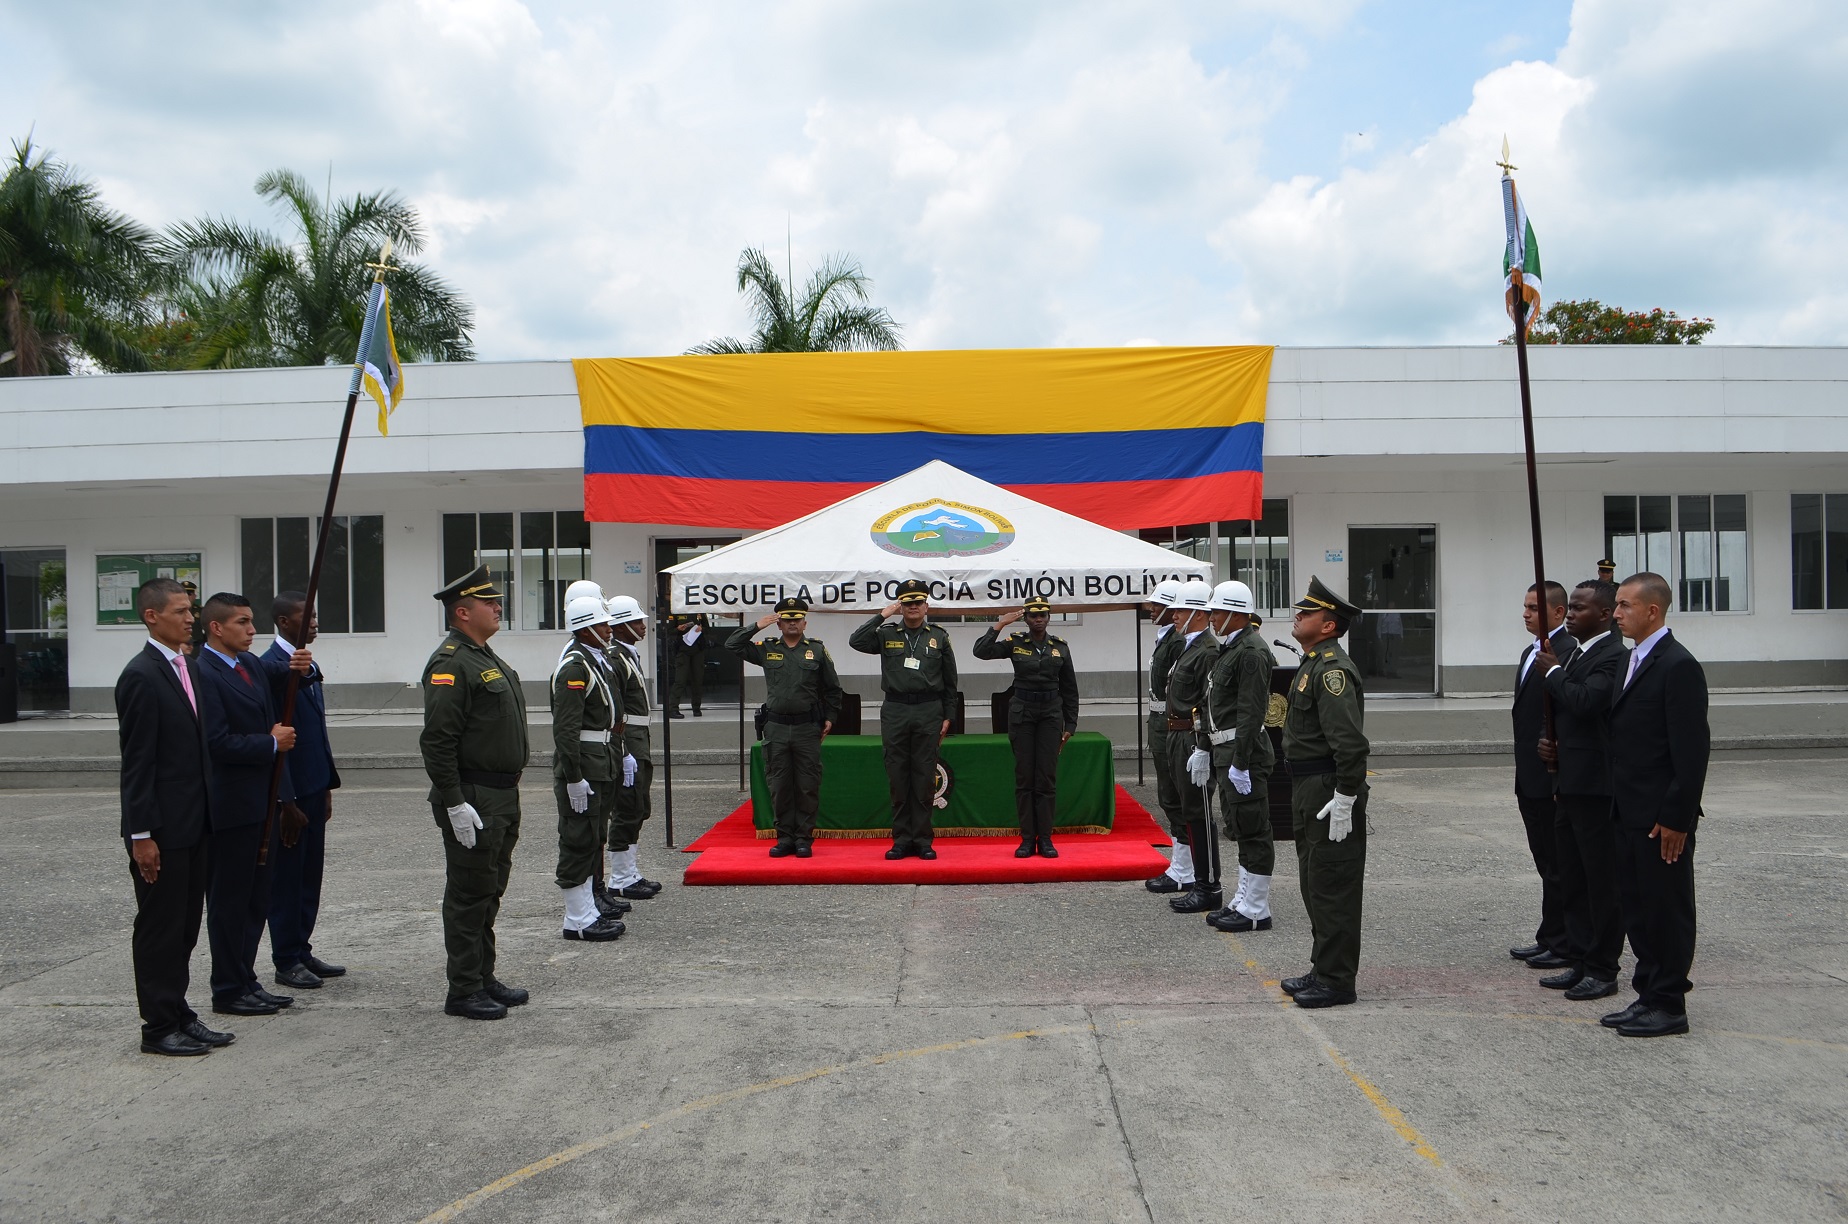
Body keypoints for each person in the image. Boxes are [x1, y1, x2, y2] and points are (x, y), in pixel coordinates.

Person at [114, 577, 232, 1056]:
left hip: (195, 822)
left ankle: (179, 1010)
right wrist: (141, 835)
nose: (190, 618)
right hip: (161, 829)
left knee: (185, 926)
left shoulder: (189, 667)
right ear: (152, 616)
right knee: (161, 927)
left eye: (191, 610)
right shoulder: (141, 675)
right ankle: (158, 1026)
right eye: (181, 611)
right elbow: (138, 764)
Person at [420, 565, 531, 1021]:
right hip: (474, 795)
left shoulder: (485, 657)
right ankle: (463, 989)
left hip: (500, 794)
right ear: (462, 612)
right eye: (489, 602)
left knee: (489, 889)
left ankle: (482, 975)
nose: (498, 607)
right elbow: (438, 740)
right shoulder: (452, 662)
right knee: (468, 894)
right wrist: (454, 802)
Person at [1602, 571, 1708, 1038]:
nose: (1617, 613)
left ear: (1652, 611)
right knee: (1639, 908)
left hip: (1660, 816)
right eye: (1617, 605)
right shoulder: (1633, 660)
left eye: (1625, 605)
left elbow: (1691, 753)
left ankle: (1669, 1004)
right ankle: (1647, 993)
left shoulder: (1677, 665)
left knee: (1667, 909)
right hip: (1628, 809)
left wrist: (1676, 818)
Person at [194, 591, 298, 1019]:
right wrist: (269, 743)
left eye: (252, 621)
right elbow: (215, 742)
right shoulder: (203, 673)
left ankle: (247, 978)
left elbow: (274, 720)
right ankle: (227, 986)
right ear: (216, 628)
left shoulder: (250, 665)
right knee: (230, 900)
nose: (252, 630)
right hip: (231, 805)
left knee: (257, 898)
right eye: (241, 622)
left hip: (263, 801)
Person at [1532, 579, 1628, 1001]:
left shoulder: (1613, 656)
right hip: (1568, 781)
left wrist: (1552, 672)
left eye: (1579, 608)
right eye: (1569, 607)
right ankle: (1579, 957)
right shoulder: (1576, 652)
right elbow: (1563, 715)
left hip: (1596, 787)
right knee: (1572, 876)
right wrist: (1550, 746)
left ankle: (1603, 967)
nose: (1569, 614)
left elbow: (1588, 702)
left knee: (1600, 882)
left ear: (1604, 616)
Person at [1277, 576, 1369, 1009]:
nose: (1298, 616)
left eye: (1307, 612)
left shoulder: (1332, 671)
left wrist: (1347, 798)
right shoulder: (1313, 662)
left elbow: (1348, 744)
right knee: (1315, 881)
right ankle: (1323, 966)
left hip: (1328, 788)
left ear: (1328, 626)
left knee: (1333, 884)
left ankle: (1337, 980)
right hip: (1308, 786)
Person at [259, 591, 346, 992]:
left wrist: (326, 784)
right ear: (282, 622)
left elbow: (316, 733)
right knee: (287, 879)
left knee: (311, 875)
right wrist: (285, 801)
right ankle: (285, 958)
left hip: (313, 784)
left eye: (314, 616)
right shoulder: (270, 668)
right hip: (290, 795)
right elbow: (278, 741)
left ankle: (302, 948)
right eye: (305, 617)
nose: (313, 622)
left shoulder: (306, 663)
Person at [850, 579, 958, 861]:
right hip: (896, 710)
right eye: (906, 603)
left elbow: (950, 680)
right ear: (900, 607)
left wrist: (949, 716)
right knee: (898, 777)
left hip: (928, 710)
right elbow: (857, 640)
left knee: (923, 779)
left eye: (917, 602)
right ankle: (901, 840)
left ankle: (923, 840)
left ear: (926, 606)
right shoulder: (886, 634)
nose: (913, 607)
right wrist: (883, 614)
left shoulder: (939, 636)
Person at [728, 597, 843, 857]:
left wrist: (830, 717)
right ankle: (785, 838)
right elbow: (732, 644)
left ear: (804, 622)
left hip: (806, 728)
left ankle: (803, 838)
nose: (792, 623)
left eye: (797, 618)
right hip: (777, 728)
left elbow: (833, 689)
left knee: (806, 785)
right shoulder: (766, 648)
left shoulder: (816, 649)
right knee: (779, 785)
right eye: (787, 619)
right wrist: (757, 625)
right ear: (779, 624)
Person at [972, 594, 1079, 858]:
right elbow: (981, 651)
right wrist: (999, 625)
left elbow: (1070, 688)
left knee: (1045, 779)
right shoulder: (1015, 642)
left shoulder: (1060, 647)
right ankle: (1026, 839)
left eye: (1043, 615)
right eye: (1033, 615)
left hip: (1051, 716)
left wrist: (1071, 723)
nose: (1038, 619)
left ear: (1048, 617)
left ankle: (1045, 839)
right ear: (1027, 618)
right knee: (1024, 778)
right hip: (1023, 715)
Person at [1200, 580, 1278, 933]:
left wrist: (1241, 762)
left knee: (1254, 829)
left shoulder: (1251, 651)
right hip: (1226, 749)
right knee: (1240, 827)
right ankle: (1244, 899)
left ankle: (1257, 908)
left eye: (1217, 611)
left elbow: (1251, 711)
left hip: (1241, 751)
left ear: (1235, 613)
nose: (1212, 617)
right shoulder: (1231, 648)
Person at [550, 594, 627, 941]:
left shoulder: (594, 662)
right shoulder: (575, 667)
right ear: (585, 629)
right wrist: (574, 777)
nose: (609, 630)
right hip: (585, 765)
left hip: (601, 761)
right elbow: (566, 730)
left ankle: (587, 909)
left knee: (593, 837)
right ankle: (577, 918)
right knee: (578, 840)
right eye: (602, 625)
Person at [1510, 581, 1573, 971]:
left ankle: (1563, 940)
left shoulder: (1564, 653)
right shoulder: (1530, 651)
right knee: (1545, 862)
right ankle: (1549, 936)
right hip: (1528, 776)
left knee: (1559, 863)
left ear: (1559, 613)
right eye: (1526, 606)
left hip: (1551, 777)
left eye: (1534, 607)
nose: (1526, 613)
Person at [1161, 579, 1221, 913]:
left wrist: (1202, 747)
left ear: (1199, 613)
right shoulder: (1189, 646)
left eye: (1181, 610)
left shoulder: (1208, 650)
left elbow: (1207, 702)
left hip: (1191, 738)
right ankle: (1197, 879)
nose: (1175, 616)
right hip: (1176, 735)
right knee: (1187, 811)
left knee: (1198, 813)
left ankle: (1209, 885)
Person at [604, 595, 663, 898]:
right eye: (637, 621)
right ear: (620, 625)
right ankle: (620, 877)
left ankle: (629, 871)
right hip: (629, 738)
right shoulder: (615, 657)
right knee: (627, 805)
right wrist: (624, 749)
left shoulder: (628, 654)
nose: (642, 626)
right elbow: (615, 710)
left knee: (638, 805)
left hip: (639, 735)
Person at [1139, 579, 1192, 893]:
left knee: (1177, 798)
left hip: (1171, 724)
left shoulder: (1176, 641)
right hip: (1160, 721)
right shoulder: (1166, 638)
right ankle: (1181, 865)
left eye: (1158, 605)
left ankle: (1186, 868)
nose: (1151, 608)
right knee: (1169, 798)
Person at [667, 613, 712, 718]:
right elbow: (669, 631)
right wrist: (678, 629)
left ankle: (696, 708)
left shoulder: (699, 611)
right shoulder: (676, 612)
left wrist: (702, 629)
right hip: (682, 651)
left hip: (698, 650)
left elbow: (708, 629)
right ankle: (673, 709)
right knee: (680, 681)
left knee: (697, 680)